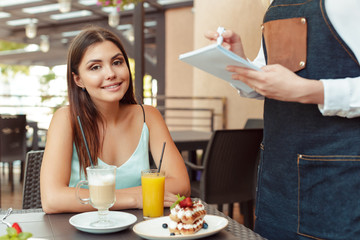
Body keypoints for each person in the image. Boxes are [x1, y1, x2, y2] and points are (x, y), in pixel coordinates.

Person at [206, 0, 359, 239]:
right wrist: (239, 63)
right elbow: (268, 80)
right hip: (276, 179)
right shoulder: (276, 4)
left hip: (339, 181)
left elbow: (296, 85)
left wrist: (309, 90)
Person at [40, 25, 190, 214]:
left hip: (137, 229)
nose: (111, 73)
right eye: (95, 67)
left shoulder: (148, 116)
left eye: (117, 62)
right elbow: (52, 199)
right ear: (78, 80)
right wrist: (135, 197)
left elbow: (181, 185)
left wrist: (100, 198)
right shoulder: (65, 119)